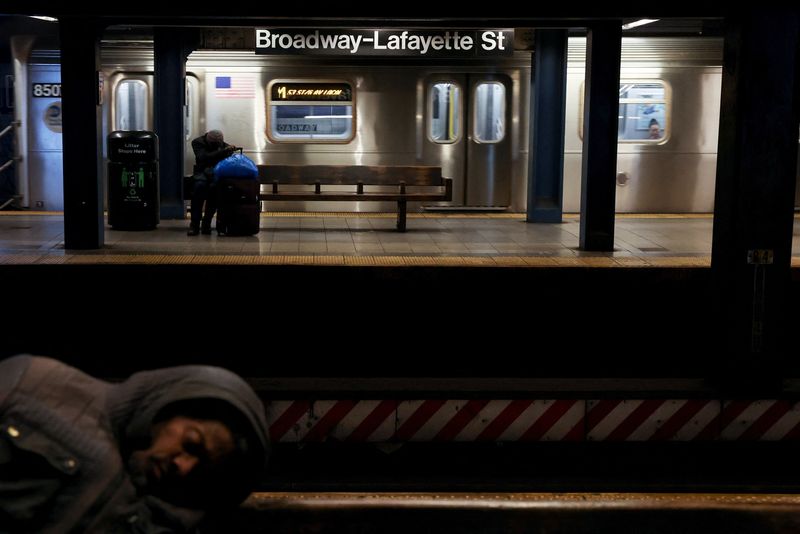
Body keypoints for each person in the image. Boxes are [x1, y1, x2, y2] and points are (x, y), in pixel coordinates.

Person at [0, 355, 269, 533]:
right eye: (191, 443)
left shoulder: (154, 512)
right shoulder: (37, 382)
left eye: (203, 472)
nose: (183, 466)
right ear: (166, 406)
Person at [188, 130, 238, 236]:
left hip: (214, 174)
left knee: (215, 189)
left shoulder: (224, 146)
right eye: (214, 144)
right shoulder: (198, 142)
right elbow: (203, 157)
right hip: (201, 173)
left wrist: (228, 151)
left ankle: (207, 222)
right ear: (208, 140)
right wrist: (222, 151)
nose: (217, 146)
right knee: (199, 187)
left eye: (218, 144)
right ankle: (194, 224)